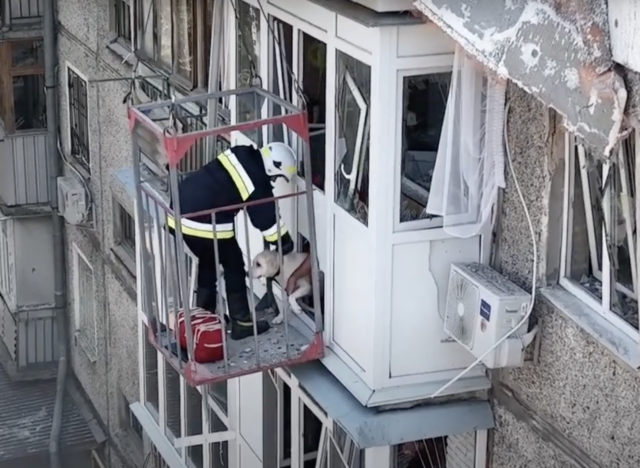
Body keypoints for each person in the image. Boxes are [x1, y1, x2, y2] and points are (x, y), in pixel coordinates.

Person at [167, 142, 296, 341]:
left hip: (178, 209)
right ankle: (242, 323)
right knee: (234, 263)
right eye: (276, 177)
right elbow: (265, 218)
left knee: (209, 262)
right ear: (273, 166)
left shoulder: (242, 152)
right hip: (201, 220)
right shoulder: (257, 179)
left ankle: (205, 319)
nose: (273, 181)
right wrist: (284, 241)